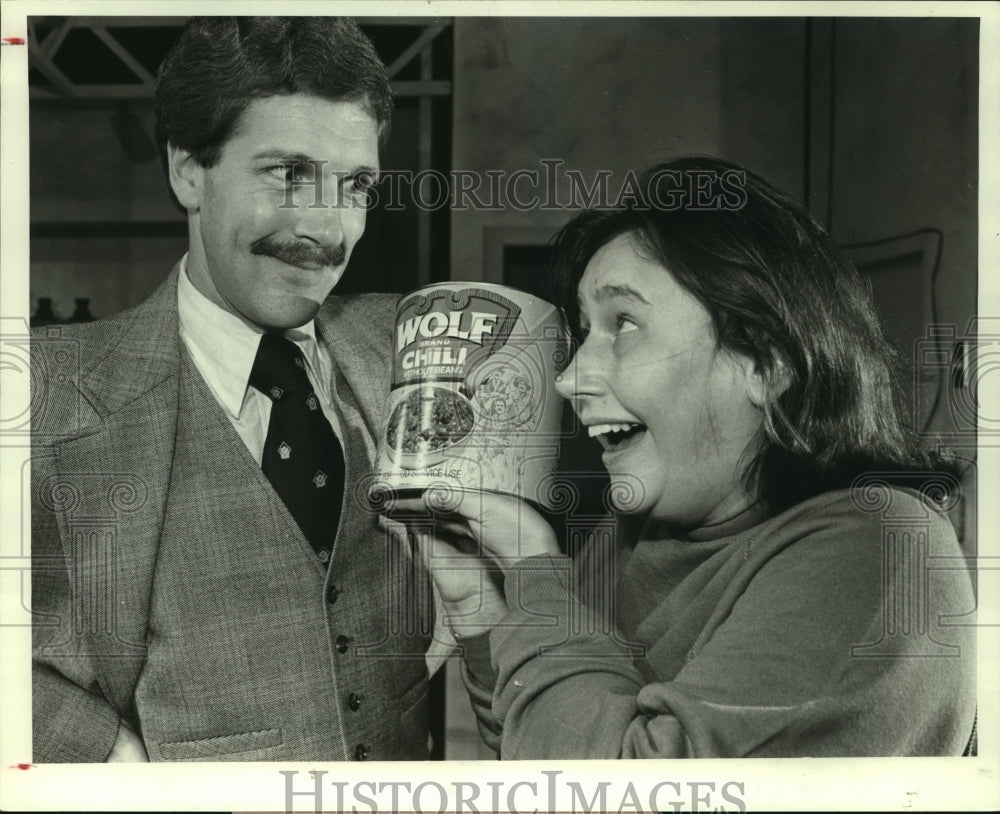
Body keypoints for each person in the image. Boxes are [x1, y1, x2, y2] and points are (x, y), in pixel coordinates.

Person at [391, 157, 977, 758]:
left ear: (765, 365)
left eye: (624, 323)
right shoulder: (630, 533)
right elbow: (536, 748)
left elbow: (623, 792)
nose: (568, 379)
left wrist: (532, 565)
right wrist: (482, 607)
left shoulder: (879, 550)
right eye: (584, 331)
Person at [31, 17, 438, 762]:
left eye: (356, 185)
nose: (327, 229)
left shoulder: (410, 349)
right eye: (288, 174)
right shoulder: (50, 392)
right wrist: (103, 753)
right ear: (189, 170)